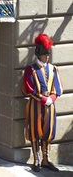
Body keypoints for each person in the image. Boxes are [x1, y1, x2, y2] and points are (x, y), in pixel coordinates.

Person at [22, 34, 63, 173]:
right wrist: (43, 99)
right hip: (36, 105)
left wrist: (52, 98)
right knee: (35, 131)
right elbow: (29, 88)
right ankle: (36, 159)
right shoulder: (30, 70)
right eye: (45, 54)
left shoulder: (53, 69)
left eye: (48, 54)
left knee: (48, 132)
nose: (47, 57)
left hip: (50, 105)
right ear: (39, 55)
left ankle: (46, 158)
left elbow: (57, 88)